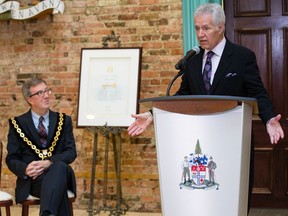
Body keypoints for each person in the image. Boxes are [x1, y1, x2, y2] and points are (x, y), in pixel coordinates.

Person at [127, 2, 284, 214]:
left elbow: (258, 92)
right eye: (197, 28)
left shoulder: (241, 57)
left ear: (221, 27)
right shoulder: (192, 61)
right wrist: (151, 114)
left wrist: (268, 118)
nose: (200, 34)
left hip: (233, 140)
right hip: (199, 139)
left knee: (232, 196)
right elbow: (182, 97)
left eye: (206, 28)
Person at [6, 77, 77, 216]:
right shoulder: (17, 123)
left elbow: (71, 152)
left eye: (46, 91)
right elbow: (12, 158)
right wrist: (26, 169)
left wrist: (49, 162)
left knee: (59, 167)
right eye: (40, 93)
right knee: (57, 186)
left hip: (60, 174)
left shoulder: (64, 120)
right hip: (33, 181)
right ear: (29, 99)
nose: (46, 95)